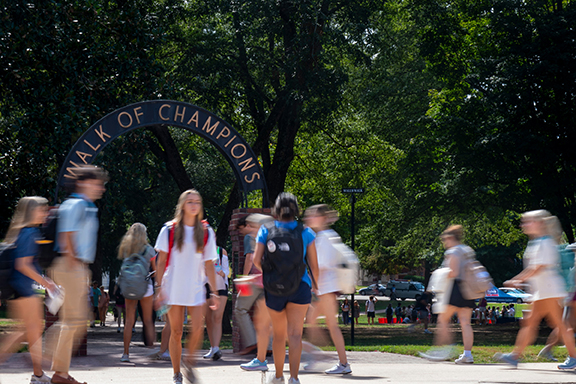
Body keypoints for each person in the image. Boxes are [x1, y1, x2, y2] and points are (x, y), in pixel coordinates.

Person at [494, 210, 576, 370]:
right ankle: (514, 356)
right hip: (543, 291)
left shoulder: (545, 242)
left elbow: (538, 267)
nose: (523, 225)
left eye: (527, 221)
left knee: (559, 324)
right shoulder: (538, 242)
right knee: (530, 323)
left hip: (549, 290)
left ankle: (573, 357)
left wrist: (518, 279)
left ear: (539, 223)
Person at [48, 164, 107, 384]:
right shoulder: (75, 205)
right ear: (83, 183)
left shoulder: (85, 205)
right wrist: (75, 267)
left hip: (74, 265)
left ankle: (60, 372)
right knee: (76, 319)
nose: (101, 188)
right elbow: (66, 237)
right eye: (97, 183)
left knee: (76, 319)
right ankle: (55, 367)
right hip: (70, 263)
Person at [154, 189, 219, 384]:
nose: (194, 205)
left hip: (196, 287)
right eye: (190, 201)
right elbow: (161, 259)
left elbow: (209, 264)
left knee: (198, 328)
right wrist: (159, 288)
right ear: (182, 205)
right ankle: (176, 373)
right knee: (176, 332)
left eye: (197, 202)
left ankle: (189, 363)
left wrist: (214, 292)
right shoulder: (169, 229)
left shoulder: (206, 231)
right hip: (173, 286)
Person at [252, 192, 319, 384]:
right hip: (300, 286)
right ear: (296, 209)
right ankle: (294, 378)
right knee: (296, 334)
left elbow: (257, 260)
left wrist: (272, 273)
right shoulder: (306, 232)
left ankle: (279, 376)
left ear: (276, 209)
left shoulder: (266, 230)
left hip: (274, 289)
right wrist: (316, 287)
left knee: (279, 335)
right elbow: (314, 266)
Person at [0, 197, 57, 384]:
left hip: (18, 289)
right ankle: (38, 375)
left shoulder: (21, 232)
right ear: (31, 212)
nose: (45, 213)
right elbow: (23, 265)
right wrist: (46, 282)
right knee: (25, 333)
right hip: (24, 290)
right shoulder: (30, 233)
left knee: (30, 332)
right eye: (42, 210)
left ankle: (38, 375)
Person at [303, 204, 351, 374]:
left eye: (312, 215)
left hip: (324, 290)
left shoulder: (323, 238)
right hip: (326, 289)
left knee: (324, 324)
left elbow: (320, 266)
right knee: (322, 324)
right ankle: (334, 361)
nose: (308, 218)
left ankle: (323, 358)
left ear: (322, 218)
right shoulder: (328, 236)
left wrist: (311, 286)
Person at [420, 225, 476, 364]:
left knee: (443, 320)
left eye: (445, 240)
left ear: (451, 238)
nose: (445, 243)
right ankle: (467, 354)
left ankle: (443, 349)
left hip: (455, 289)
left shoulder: (453, 251)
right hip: (468, 289)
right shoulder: (467, 250)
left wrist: (439, 274)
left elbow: (454, 272)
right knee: (466, 323)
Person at [117, 223, 157, 363]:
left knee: (129, 320)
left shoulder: (126, 249)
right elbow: (155, 270)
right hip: (146, 287)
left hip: (129, 287)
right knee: (147, 320)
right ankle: (151, 349)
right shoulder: (150, 250)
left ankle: (125, 353)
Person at [203, 246, 230, 361]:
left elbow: (227, 271)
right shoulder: (199, 251)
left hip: (220, 286)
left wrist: (223, 273)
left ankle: (216, 348)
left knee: (217, 317)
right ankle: (213, 347)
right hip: (205, 286)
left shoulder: (221, 251)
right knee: (208, 319)